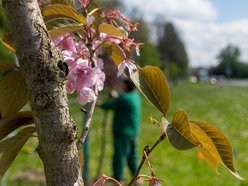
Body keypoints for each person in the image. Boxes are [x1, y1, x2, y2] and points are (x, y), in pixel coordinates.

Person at [100, 78, 141, 183]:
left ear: (127, 86)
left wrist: (99, 104)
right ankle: (136, 177)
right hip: (133, 131)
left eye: (123, 85)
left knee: (120, 156)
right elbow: (121, 101)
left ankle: (119, 178)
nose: (122, 87)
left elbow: (111, 105)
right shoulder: (135, 96)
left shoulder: (124, 98)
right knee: (132, 156)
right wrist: (116, 97)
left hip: (122, 132)